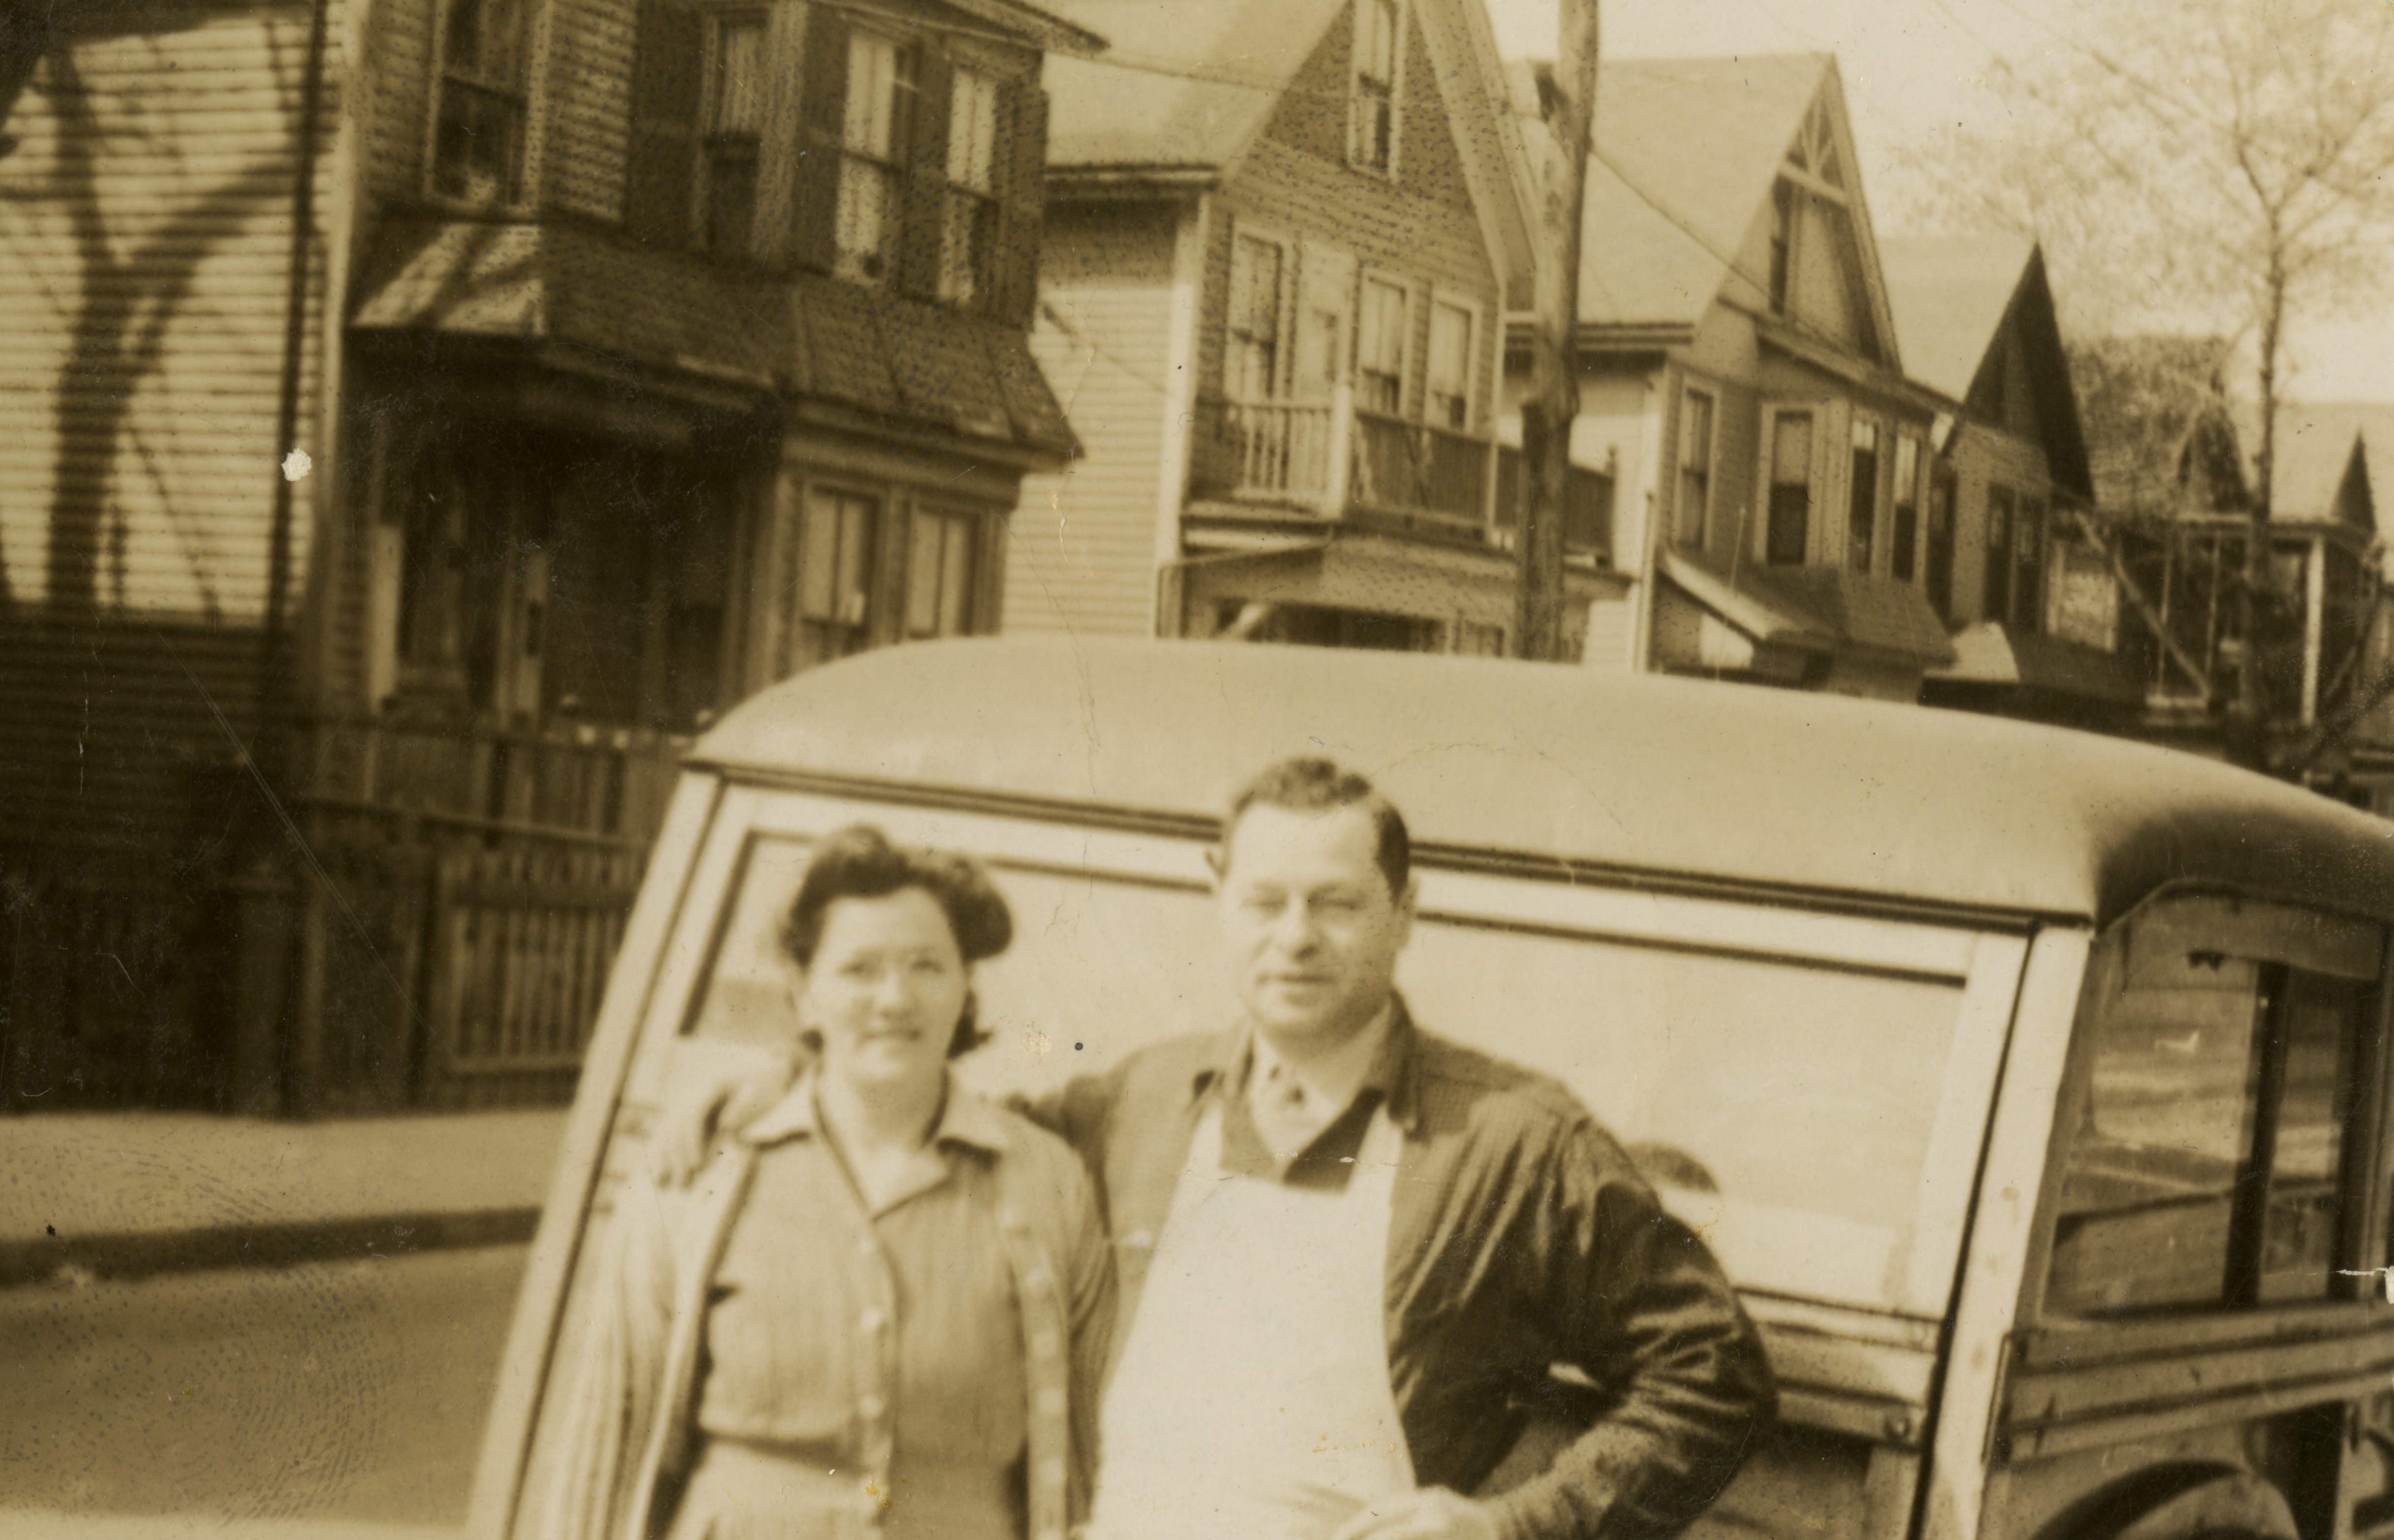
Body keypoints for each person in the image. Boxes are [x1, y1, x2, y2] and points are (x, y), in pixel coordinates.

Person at [662, 760, 1773, 1540]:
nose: (1294, 937)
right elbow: (934, 1128)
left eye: (1335, 904)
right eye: (1265, 901)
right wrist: (787, 1074)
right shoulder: (1135, 1101)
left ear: (1405, 913)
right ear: (1219, 904)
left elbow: (1712, 1372)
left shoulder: (1517, 1143)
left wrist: (1512, 1526)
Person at [537, 825, 1113, 1540]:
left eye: (928, 966)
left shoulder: (1045, 1180)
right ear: (804, 996)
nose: (895, 998)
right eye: (858, 969)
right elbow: (608, 1438)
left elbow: (1095, 1457)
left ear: (966, 989)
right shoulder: (700, 1172)